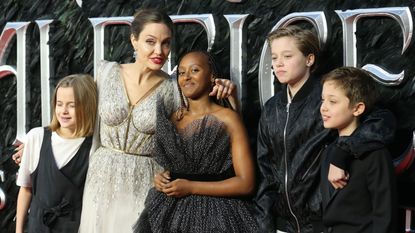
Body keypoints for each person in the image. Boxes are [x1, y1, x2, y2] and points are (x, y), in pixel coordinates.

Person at [77, 9, 236, 233]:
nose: (159, 51)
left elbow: (205, 133)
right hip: (100, 182)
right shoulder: (106, 73)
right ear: (134, 40)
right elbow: (76, 117)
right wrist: (40, 141)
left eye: (166, 43)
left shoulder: (174, 89)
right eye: (150, 42)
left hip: (145, 185)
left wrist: (227, 96)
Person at [254, 25, 396, 233]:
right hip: (282, 225)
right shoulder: (271, 108)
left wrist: (342, 152)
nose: (279, 64)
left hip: (321, 224)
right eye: (274, 58)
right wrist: (265, 226)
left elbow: (383, 121)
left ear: (309, 60)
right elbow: (265, 172)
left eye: (287, 56)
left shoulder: (328, 98)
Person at [133, 50, 259, 232]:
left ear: (211, 76)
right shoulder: (173, 118)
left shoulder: (228, 118)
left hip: (216, 216)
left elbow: (246, 183)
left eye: (195, 70)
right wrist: (162, 178)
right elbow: (180, 164)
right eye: (182, 72)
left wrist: (191, 187)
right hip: (169, 213)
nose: (186, 77)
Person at [15, 74, 97, 233]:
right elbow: (26, 189)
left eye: (72, 105)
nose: (64, 111)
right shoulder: (37, 137)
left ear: (87, 106)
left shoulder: (93, 147)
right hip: (37, 226)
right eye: (59, 104)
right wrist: (19, 230)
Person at [320, 67, 397, 233]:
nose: (323, 108)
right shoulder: (329, 151)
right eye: (322, 100)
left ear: (357, 108)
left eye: (332, 101)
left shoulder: (376, 155)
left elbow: (385, 216)